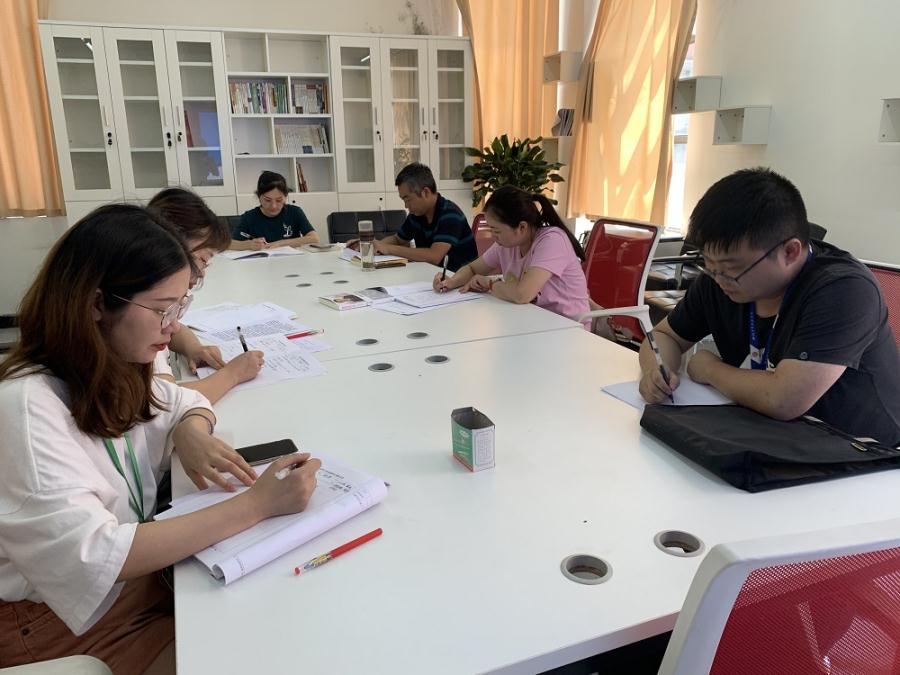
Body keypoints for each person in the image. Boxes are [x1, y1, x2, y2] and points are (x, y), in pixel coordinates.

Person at [0, 204, 321, 673]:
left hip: (130, 586)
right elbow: (95, 556)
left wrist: (189, 429)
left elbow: (182, 401)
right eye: (161, 310)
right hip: (58, 623)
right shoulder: (27, 407)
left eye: (180, 307)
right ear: (95, 304)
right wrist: (257, 505)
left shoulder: (113, 364)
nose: (173, 327)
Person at [639, 167, 900, 446]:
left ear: (790, 252)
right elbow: (664, 336)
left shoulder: (843, 289)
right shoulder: (718, 280)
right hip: (774, 433)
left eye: (731, 268)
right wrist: (657, 369)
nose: (718, 277)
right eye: (709, 264)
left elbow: (784, 399)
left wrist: (709, 369)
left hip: (863, 449)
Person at [147, 187, 263, 403]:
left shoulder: (153, 303)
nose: (202, 273)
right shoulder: (142, 309)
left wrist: (194, 347)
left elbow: (172, 328)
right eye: (202, 259)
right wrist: (233, 374)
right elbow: (162, 402)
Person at [434, 185, 590, 323]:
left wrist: (489, 284)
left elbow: (522, 294)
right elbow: (473, 269)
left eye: (497, 231)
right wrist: (451, 282)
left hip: (568, 329)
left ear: (522, 227)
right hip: (532, 321)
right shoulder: (507, 244)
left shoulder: (552, 241)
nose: (493, 236)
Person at [347, 162, 477, 271]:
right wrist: (370, 245)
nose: (406, 205)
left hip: (462, 283)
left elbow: (434, 256)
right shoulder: (417, 214)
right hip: (432, 277)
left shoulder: (450, 214)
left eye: (408, 199)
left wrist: (387, 248)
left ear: (425, 192)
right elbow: (398, 239)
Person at [230, 171, 319, 251]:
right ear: (259, 197)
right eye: (267, 200)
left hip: (291, 262)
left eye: (279, 200)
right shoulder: (249, 217)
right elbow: (229, 244)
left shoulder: (295, 212)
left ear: (285, 197)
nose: (273, 206)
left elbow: (314, 238)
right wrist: (249, 245)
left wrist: (280, 243)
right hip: (261, 263)